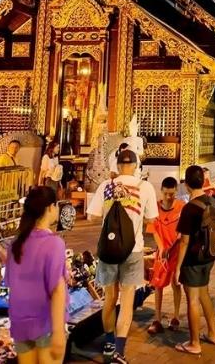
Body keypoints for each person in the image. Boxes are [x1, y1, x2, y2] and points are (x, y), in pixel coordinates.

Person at [88, 149, 158, 364]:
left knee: (109, 298)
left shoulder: (106, 186)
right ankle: (119, 350)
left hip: (108, 250)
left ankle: (109, 342)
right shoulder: (145, 187)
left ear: (117, 167)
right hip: (133, 249)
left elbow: (92, 217)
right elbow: (151, 219)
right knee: (126, 301)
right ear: (136, 166)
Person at [5, 186, 68, 364]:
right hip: (44, 321)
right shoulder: (54, 243)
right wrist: (58, 332)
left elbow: (10, 283)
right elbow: (57, 290)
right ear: (50, 208)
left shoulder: (15, 244)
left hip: (20, 320)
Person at [174, 165, 215, 356]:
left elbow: (184, 241)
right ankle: (213, 333)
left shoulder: (189, 208)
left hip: (193, 259)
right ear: (203, 181)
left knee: (192, 299)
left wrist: (178, 267)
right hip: (208, 256)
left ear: (186, 184)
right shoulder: (211, 201)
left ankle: (194, 342)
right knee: (204, 294)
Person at [147, 177, 184, 335]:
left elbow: (183, 231)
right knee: (158, 284)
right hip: (161, 254)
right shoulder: (155, 208)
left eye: (172, 194)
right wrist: (161, 247)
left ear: (176, 191)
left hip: (176, 253)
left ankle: (175, 317)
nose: (169, 197)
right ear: (161, 191)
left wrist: (173, 245)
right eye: (166, 194)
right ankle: (157, 318)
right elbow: (153, 229)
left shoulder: (182, 207)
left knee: (176, 283)